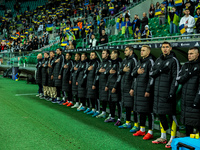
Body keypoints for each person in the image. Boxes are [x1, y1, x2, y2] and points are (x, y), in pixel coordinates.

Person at [150, 42, 180, 148]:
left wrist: (172, 92)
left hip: (168, 92)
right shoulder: (158, 60)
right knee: (160, 113)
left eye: (167, 47)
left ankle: (172, 138)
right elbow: (151, 73)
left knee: (170, 114)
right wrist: (160, 70)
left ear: (170, 48)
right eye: (163, 47)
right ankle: (163, 136)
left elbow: (176, 78)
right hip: (158, 93)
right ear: (161, 49)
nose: (165, 49)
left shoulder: (173, 60)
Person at [131, 45, 154, 140]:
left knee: (148, 111)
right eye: (141, 50)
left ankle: (150, 131)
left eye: (144, 50)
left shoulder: (150, 62)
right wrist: (137, 72)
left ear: (148, 52)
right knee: (141, 111)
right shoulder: (140, 61)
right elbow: (133, 74)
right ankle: (142, 129)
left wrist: (148, 89)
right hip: (138, 90)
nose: (141, 52)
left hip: (145, 91)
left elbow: (152, 77)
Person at [177, 47, 200, 136]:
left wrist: (197, 100)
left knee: (197, 123)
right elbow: (179, 79)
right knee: (188, 124)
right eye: (188, 53)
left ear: (197, 54)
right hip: (186, 100)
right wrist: (188, 74)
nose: (189, 55)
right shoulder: (186, 65)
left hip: (195, 100)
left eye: (192, 54)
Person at [117, 46, 138, 131]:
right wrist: (123, 71)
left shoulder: (134, 60)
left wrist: (132, 87)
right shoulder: (124, 60)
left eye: (126, 50)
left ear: (131, 51)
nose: (124, 52)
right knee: (127, 105)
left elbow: (135, 75)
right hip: (124, 86)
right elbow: (119, 71)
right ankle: (128, 122)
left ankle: (136, 125)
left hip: (130, 87)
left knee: (133, 106)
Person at [104, 50, 122, 126]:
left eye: (111, 53)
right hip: (110, 85)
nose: (110, 55)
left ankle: (119, 119)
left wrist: (115, 86)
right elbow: (108, 74)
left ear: (116, 54)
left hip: (116, 86)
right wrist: (107, 85)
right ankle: (112, 116)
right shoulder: (111, 62)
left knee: (118, 103)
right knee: (111, 102)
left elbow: (119, 75)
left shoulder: (119, 63)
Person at [95, 50, 111, 118]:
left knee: (109, 99)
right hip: (101, 83)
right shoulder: (101, 62)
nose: (102, 54)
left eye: (103, 53)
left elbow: (109, 72)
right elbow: (96, 71)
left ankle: (111, 114)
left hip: (107, 83)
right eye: (102, 53)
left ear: (107, 54)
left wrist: (104, 72)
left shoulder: (109, 62)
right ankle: (103, 112)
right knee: (103, 98)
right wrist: (99, 71)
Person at [84, 52, 100, 117]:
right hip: (89, 81)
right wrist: (88, 69)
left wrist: (95, 83)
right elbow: (85, 72)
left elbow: (97, 74)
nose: (91, 56)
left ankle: (98, 110)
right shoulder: (90, 62)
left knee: (95, 97)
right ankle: (93, 109)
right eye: (90, 55)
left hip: (94, 82)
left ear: (96, 56)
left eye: (92, 55)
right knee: (91, 96)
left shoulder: (97, 62)